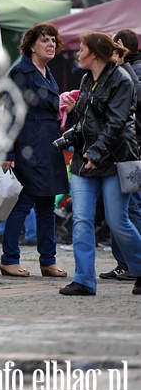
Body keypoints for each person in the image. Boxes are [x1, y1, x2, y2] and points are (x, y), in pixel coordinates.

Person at [59, 32, 141, 296]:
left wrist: (96, 153)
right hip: (85, 159)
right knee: (81, 220)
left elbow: (116, 123)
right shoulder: (86, 79)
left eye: (81, 48)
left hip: (115, 159)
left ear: (93, 53)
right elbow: (87, 120)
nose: (77, 53)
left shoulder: (122, 80)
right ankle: (84, 280)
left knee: (119, 221)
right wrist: (72, 120)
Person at [0, 24, 69, 278]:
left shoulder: (47, 72)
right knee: (23, 203)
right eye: (44, 40)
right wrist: (7, 153)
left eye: (52, 40)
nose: (50, 44)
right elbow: (10, 114)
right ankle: (9, 259)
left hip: (48, 145)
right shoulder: (21, 72)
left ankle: (48, 260)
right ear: (31, 45)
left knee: (47, 205)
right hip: (28, 145)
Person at [100, 29, 141, 281]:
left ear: (120, 46)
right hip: (120, 148)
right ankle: (123, 263)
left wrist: (124, 65)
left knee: (131, 208)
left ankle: (132, 264)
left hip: (132, 149)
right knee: (119, 209)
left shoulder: (133, 69)